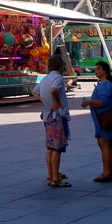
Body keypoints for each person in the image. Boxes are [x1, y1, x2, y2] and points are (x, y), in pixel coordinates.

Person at [33, 54, 70, 187]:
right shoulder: (57, 78)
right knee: (57, 148)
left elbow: (34, 91)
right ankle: (55, 178)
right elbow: (54, 89)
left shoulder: (45, 78)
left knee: (50, 147)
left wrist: (45, 101)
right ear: (61, 66)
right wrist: (57, 101)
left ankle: (51, 174)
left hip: (47, 115)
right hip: (58, 116)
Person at [81, 61, 112, 182]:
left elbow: (102, 102)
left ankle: (106, 173)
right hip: (106, 118)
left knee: (104, 146)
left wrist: (88, 102)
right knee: (107, 146)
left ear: (104, 71)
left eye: (98, 69)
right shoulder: (105, 84)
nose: (95, 71)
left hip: (104, 119)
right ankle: (109, 171)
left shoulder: (104, 85)